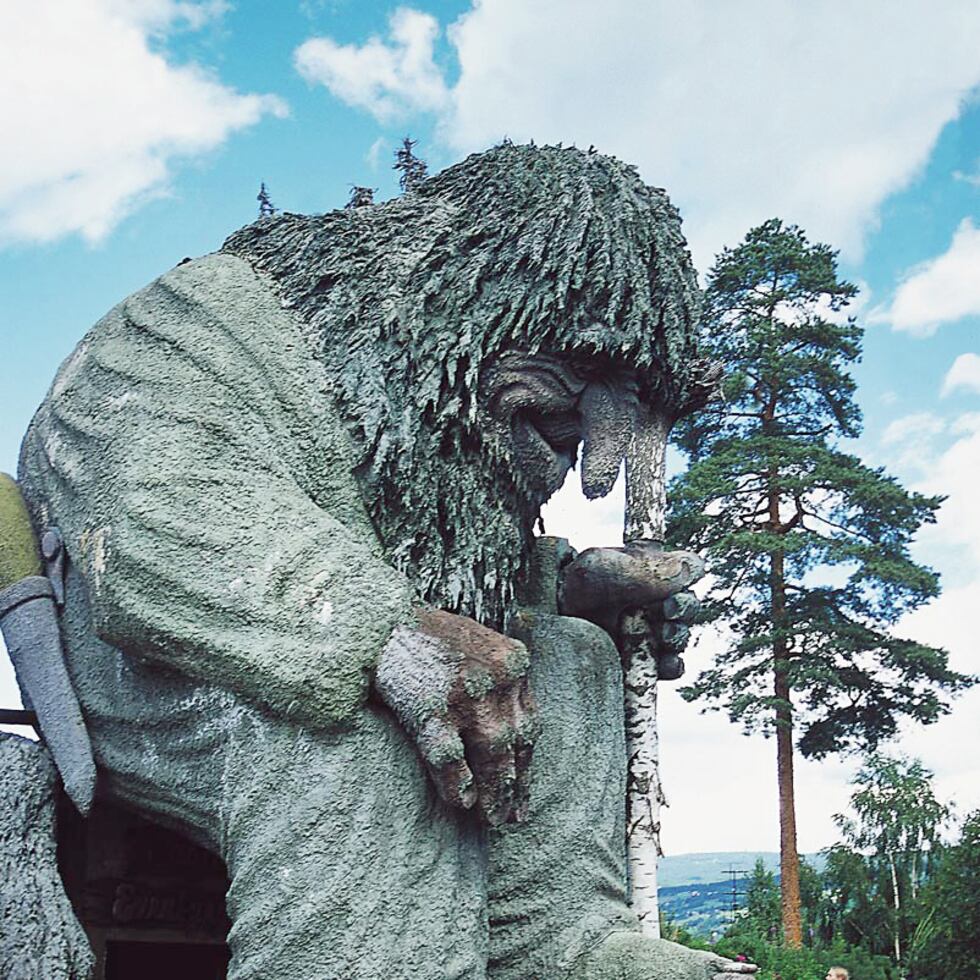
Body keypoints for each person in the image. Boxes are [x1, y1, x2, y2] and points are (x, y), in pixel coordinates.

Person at [14, 143, 751, 979]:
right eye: (579, 371)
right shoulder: (203, 321)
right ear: (461, 292)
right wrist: (386, 636)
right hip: (155, 671)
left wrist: (571, 594)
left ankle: (560, 944)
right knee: (366, 742)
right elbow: (153, 520)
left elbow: (450, 581)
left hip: (335, 631)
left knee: (571, 658)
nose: (600, 463)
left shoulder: (452, 431)